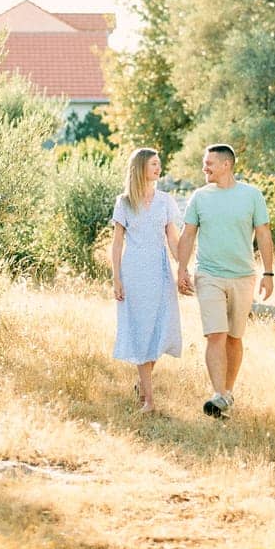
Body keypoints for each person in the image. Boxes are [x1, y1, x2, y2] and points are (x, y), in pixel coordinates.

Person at [177, 143, 274, 418]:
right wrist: (182, 269)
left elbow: (264, 234)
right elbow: (187, 235)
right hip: (209, 275)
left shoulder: (252, 195)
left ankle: (226, 395)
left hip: (243, 276)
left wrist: (268, 273)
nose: (204, 168)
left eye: (209, 163)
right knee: (216, 334)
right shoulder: (199, 197)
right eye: (204, 163)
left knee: (234, 337)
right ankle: (218, 393)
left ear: (226, 165)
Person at [111, 147, 182, 413]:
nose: (158, 167)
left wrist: (183, 267)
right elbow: (117, 243)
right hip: (135, 272)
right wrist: (116, 277)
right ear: (140, 167)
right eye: (153, 163)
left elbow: (173, 239)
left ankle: (143, 384)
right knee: (141, 331)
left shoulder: (165, 201)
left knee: (159, 329)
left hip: (161, 271)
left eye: (159, 163)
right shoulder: (124, 202)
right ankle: (149, 401)